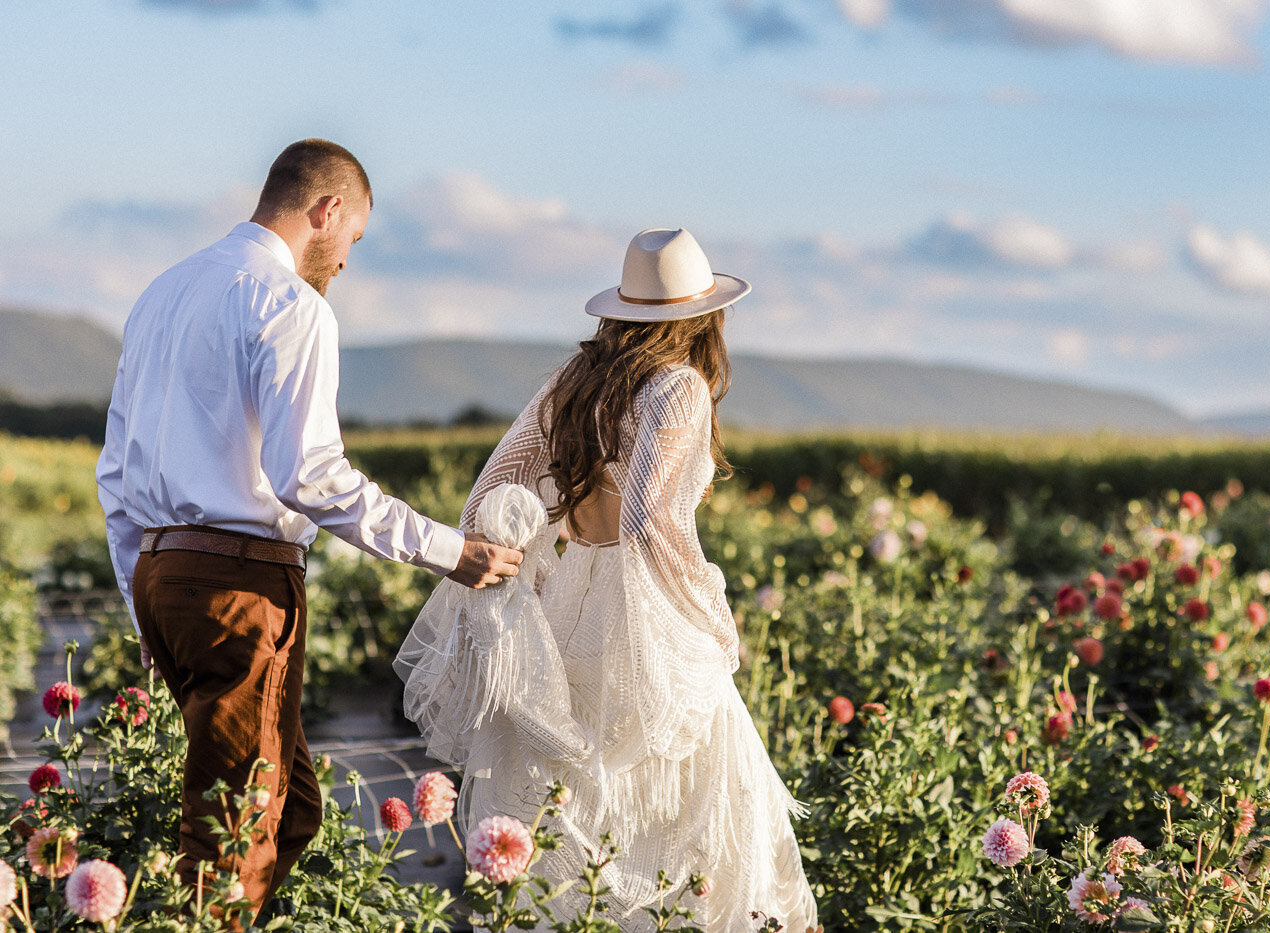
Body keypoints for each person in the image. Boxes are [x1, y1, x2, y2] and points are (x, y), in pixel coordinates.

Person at [95, 138, 523, 920]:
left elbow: (114, 474)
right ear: (326, 211)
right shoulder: (292, 306)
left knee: (289, 805)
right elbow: (313, 479)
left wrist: (142, 605)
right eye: (353, 237)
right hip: (240, 585)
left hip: (164, 574)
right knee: (236, 833)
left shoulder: (161, 293)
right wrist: (450, 552)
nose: (347, 261)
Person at [396, 228, 820, 931]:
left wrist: (522, 577)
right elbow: (651, 522)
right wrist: (710, 609)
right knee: (687, 803)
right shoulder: (678, 385)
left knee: (583, 799)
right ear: (705, 315)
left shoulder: (572, 384)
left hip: (570, 599)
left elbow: (485, 499)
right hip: (647, 615)